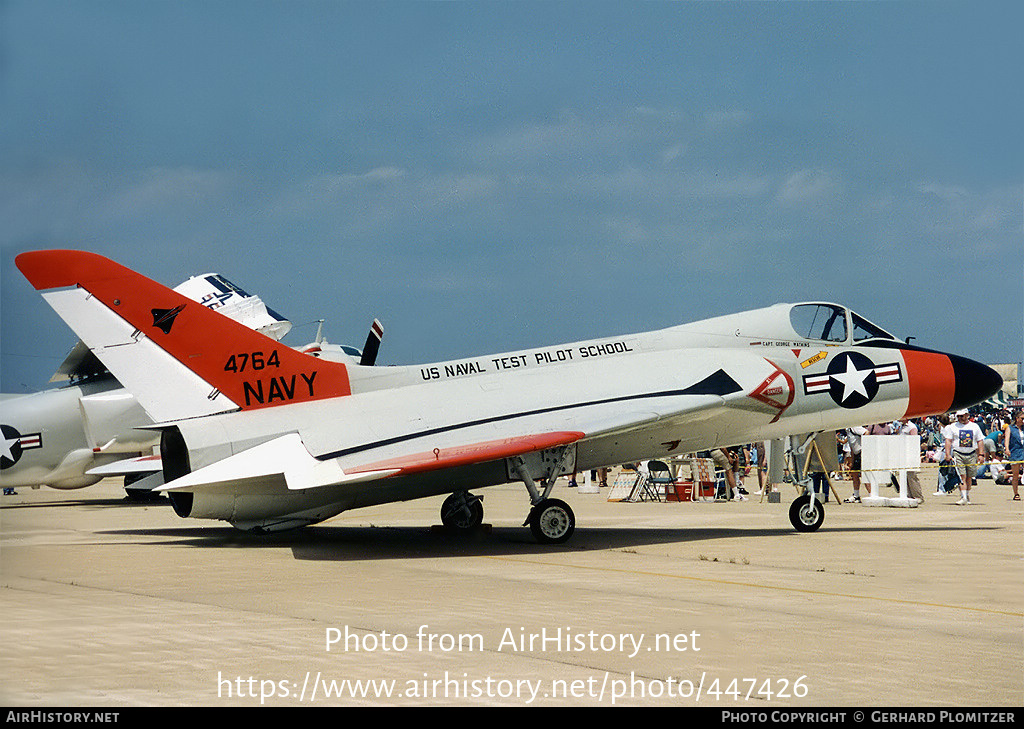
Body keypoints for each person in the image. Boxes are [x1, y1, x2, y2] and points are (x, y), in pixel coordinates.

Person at [945, 409, 985, 505]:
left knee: (969, 477)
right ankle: (963, 497)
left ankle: (967, 495)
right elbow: (948, 440)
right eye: (958, 416)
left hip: (971, 454)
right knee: (961, 476)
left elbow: (980, 441)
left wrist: (981, 454)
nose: (960, 418)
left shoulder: (974, 426)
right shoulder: (952, 427)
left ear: (967, 415)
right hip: (958, 453)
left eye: (962, 416)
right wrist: (947, 454)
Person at [898, 418, 924, 502]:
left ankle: (917, 496)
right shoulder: (901, 426)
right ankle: (909, 495)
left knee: (912, 476)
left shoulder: (911, 427)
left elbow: (914, 441)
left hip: (910, 454)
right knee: (904, 476)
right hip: (903, 453)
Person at [844, 426, 867, 502]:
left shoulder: (854, 427)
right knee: (854, 474)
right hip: (856, 454)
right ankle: (856, 495)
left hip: (862, 453)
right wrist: (852, 462)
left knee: (865, 475)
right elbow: (852, 447)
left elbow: (866, 432)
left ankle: (871, 494)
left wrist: (865, 447)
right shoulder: (848, 431)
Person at [1003, 410, 1023, 501]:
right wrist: (1007, 449)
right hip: (1015, 452)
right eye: (1022, 419)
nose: (1023, 421)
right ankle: (1016, 493)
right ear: (1017, 418)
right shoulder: (1010, 428)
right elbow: (1007, 439)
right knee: (1015, 474)